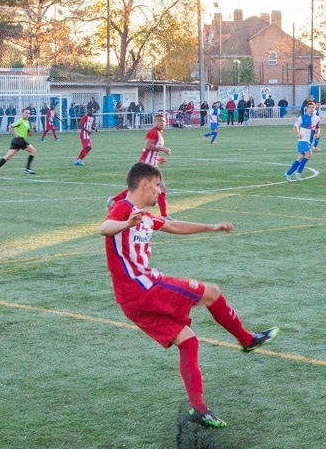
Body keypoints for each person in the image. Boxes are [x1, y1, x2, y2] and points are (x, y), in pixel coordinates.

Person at [101, 162, 277, 429]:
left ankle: (199, 409)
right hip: (144, 288)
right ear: (146, 183)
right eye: (158, 185)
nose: (160, 192)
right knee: (213, 293)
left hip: (131, 302)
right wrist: (125, 222)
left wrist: (212, 227)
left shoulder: (145, 215)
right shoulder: (125, 208)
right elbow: (105, 227)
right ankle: (247, 339)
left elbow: (174, 226)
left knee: (188, 341)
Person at [110, 112, 172, 215]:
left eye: (164, 121)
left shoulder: (158, 133)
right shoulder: (153, 132)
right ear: (154, 122)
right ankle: (164, 215)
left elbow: (149, 151)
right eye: (159, 121)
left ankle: (114, 200)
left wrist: (158, 158)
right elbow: (148, 146)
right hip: (147, 165)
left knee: (145, 187)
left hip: (151, 164)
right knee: (160, 188)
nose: (162, 123)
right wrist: (163, 149)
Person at [0, 107, 38, 178]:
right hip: (19, 140)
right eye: (26, 113)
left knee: (8, 157)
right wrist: (15, 134)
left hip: (17, 141)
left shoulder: (27, 123)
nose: (27, 114)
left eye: (28, 113)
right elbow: (10, 126)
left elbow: (29, 134)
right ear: (22, 113)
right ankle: (27, 168)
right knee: (33, 151)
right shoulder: (20, 121)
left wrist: (33, 128)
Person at [285, 101, 316, 181]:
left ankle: (288, 173)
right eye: (310, 107)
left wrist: (317, 132)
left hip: (309, 140)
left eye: (313, 107)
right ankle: (298, 172)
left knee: (300, 157)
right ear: (307, 109)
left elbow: (317, 127)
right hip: (303, 139)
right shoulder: (303, 117)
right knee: (308, 154)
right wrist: (298, 133)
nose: (311, 109)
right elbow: (295, 126)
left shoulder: (316, 118)